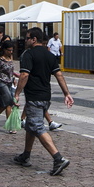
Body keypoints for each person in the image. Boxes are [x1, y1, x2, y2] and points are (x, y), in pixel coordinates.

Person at [12, 27, 72, 174]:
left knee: (37, 127)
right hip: (46, 97)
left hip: (34, 97)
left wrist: (17, 93)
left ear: (34, 39)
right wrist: (67, 93)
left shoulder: (28, 54)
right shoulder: (50, 55)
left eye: (27, 38)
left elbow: (24, 75)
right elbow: (59, 75)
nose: (25, 41)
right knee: (30, 126)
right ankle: (25, 156)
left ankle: (58, 158)